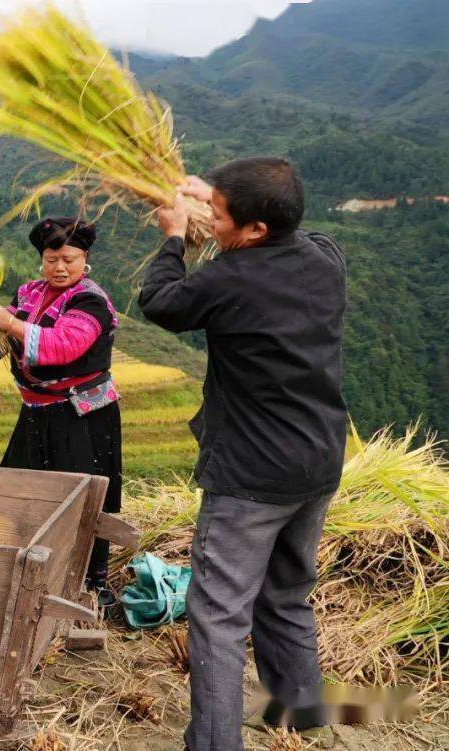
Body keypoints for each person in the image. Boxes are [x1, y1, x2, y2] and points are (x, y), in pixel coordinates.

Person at [138, 157, 347, 750]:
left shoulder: (231, 277)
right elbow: (293, 235)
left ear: (256, 230)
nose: (213, 218)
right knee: (285, 595)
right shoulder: (325, 258)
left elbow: (163, 303)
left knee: (219, 616)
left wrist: (176, 237)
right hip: (317, 460)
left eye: (220, 214)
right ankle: (303, 719)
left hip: (251, 475)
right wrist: (216, 201)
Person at [0, 217, 122, 602]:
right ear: (41, 259)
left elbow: (62, 346)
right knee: (20, 489)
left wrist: (8, 323)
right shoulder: (28, 293)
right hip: (36, 413)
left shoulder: (90, 300)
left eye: (69, 259)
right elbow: (4, 342)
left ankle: (89, 585)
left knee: (83, 498)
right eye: (52, 258)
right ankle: (21, 569)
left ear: (85, 259)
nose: (60, 267)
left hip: (81, 417)